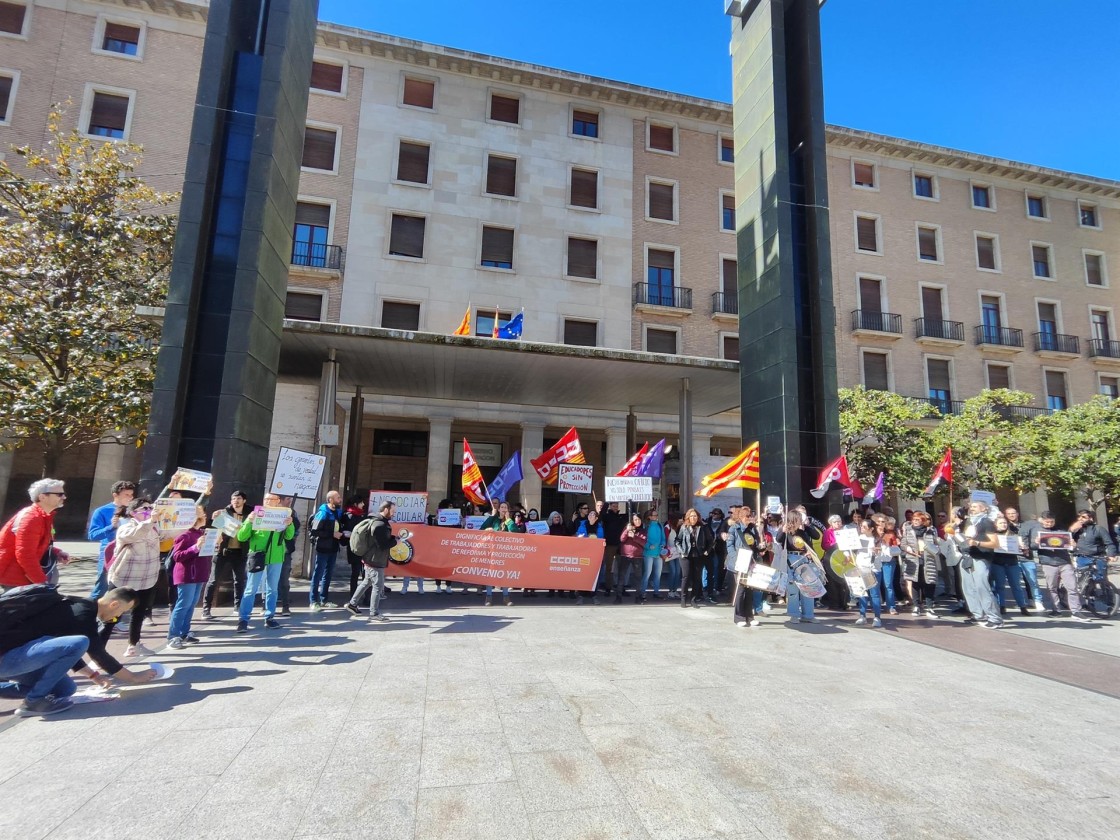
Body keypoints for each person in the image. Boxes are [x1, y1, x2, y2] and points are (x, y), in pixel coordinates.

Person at [0, 586, 155, 716]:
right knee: (80, 642)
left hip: (19, 656)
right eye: (122, 611)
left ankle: (28, 694)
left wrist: (93, 675)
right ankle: (33, 702)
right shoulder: (84, 615)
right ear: (114, 604)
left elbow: (65, 651)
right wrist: (133, 677)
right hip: (7, 657)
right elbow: (99, 655)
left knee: (66, 689)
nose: (118, 616)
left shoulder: (78, 605)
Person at [104, 497, 164, 658]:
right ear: (132, 513)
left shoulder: (155, 527)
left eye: (150, 508)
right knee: (111, 616)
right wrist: (151, 521)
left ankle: (133, 645)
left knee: (139, 613)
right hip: (124, 579)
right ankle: (98, 651)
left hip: (147, 578)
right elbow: (136, 534)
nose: (149, 511)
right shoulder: (126, 527)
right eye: (144, 509)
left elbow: (173, 531)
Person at [235, 493, 295, 633]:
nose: (268, 501)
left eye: (271, 499)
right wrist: (249, 522)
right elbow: (242, 537)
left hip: (276, 557)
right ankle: (243, 619)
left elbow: (289, 536)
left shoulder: (283, 515)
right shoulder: (256, 514)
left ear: (277, 501)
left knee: (272, 589)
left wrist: (290, 524)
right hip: (257, 556)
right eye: (266, 499)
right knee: (251, 589)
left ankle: (269, 617)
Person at [0, 479, 70, 590]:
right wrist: (41, 583)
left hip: (23, 578)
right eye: (59, 494)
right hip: (17, 580)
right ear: (42, 497)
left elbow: (36, 544)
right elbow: (25, 554)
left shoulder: (43, 515)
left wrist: (56, 552)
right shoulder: (32, 518)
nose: (64, 497)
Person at [1021, 511, 1090, 622]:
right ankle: (1056, 610)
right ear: (1042, 520)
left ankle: (1076, 611)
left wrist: (1072, 545)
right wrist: (1036, 543)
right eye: (1047, 522)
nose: (1049, 524)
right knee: (1052, 587)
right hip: (1048, 562)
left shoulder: (1061, 528)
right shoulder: (1036, 530)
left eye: (1051, 522)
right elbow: (1032, 546)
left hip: (1064, 561)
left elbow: (1068, 542)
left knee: (1072, 587)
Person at [951, 502, 1003, 628]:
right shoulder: (968, 522)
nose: (971, 508)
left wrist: (977, 543)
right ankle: (978, 615)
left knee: (982, 587)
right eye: (971, 507)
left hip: (980, 557)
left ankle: (995, 618)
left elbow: (995, 543)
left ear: (984, 509)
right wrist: (954, 524)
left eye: (975, 506)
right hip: (966, 556)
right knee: (968, 588)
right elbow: (952, 530)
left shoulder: (986, 522)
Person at [166, 506, 212, 649]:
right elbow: (177, 556)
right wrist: (195, 548)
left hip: (199, 573)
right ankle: (173, 636)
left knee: (191, 604)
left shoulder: (201, 533)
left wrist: (213, 544)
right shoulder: (184, 535)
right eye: (202, 514)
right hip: (187, 575)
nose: (205, 516)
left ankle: (184, 632)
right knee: (183, 604)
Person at [345, 501, 397, 622]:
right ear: (385, 510)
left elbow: (381, 540)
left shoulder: (378, 522)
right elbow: (382, 545)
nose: (394, 513)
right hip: (375, 559)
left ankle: (352, 604)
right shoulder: (379, 524)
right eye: (392, 511)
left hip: (371, 558)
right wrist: (396, 542)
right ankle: (374, 613)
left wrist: (393, 538)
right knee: (378, 587)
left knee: (366, 582)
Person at [203, 491, 249, 619]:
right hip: (222, 551)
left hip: (240, 551)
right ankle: (206, 609)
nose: (236, 501)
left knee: (239, 580)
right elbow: (210, 528)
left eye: (239, 498)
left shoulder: (250, 514)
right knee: (213, 580)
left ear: (244, 501)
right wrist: (213, 518)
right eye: (233, 498)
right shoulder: (224, 512)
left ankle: (238, 606)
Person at [86, 480, 136, 599]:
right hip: (110, 554)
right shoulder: (102, 511)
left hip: (130, 554)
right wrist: (111, 527)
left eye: (131, 495)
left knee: (122, 592)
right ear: (115, 495)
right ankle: (91, 613)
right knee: (101, 588)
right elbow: (93, 535)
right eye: (126, 495)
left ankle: (115, 617)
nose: (130, 498)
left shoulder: (134, 510)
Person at [774, 510, 825, 624]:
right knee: (793, 590)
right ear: (793, 520)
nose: (800, 521)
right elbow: (778, 540)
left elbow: (814, 538)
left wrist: (809, 552)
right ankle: (794, 614)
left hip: (804, 560)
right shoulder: (786, 531)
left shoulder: (802, 532)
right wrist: (783, 530)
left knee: (808, 587)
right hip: (791, 559)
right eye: (798, 519)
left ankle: (808, 614)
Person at [309, 490, 345, 610]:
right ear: (330, 500)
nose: (340, 499)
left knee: (328, 575)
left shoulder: (338, 513)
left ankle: (324, 599)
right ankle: (313, 601)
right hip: (323, 548)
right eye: (337, 497)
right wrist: (332, 534)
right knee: (318, 574)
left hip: (333, 548)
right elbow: (315, 531)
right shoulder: (322, 513)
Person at [726, 506, 761, 627]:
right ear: (741, 517)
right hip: (739, 562)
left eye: (751, 516)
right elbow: (729, 545)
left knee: (750, 590)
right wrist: (736, 558)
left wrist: (761, 547)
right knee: (740, 590)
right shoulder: (734, 529)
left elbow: (755, 544)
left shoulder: (752, 529)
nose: (749, 518)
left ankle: (749, 617)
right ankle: (739, 617)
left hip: (751, 562)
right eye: (747, 516)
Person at [901, 511, 940, 617]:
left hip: (928, 559)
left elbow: (937, 544)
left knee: (929, 583)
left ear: (923, 521)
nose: (915, 521)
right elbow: (903, 544)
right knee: (915, 583)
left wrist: (936, 548)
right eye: (914, 519)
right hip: (913, 559)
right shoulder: (908, 530)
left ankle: (929, 607)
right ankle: (916, 606)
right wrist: (907, 548)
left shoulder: (931, 531)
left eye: (917, 519)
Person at [990, 514, 1030, 616]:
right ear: (995, 525)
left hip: (1012, 562)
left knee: (1016, 586)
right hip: (997, 562)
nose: (1003, 525)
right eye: (1001, 523)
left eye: (1004, 523)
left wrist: (1023, 548)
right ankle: (1001, 606)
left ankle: (1022, 606)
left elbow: (1021, 548)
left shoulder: (1014, 535)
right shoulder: (992, 535)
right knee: (1000, 586)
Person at [674, 508, 712, 608]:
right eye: (691, 516)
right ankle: (683, 598)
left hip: (698, 555)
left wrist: (707, 551)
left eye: (695, 516)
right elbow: (677, 540)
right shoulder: (684, 527)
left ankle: (693, 599)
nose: (693, 518)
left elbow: (711, 540)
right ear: (688, 517)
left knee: (696, 577)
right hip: (686, 555)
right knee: (685, 576)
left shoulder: (703, 527)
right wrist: (681, 551)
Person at [480, 501, 516, 606]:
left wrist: (508, 519)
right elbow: (482, 528)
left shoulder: (509, 521)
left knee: (504, 574)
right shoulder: (494, 519)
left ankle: (506, 597)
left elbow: (515, 531)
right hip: (492, 551)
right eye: (502, 507)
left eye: (506, 507)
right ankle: (489, 597)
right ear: (499, 509)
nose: (504, 509)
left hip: (505, 552)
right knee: (490, 574)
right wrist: (490, 522)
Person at [1069, 509, 1118, 580]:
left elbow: (1109, 543)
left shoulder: (1099, 529)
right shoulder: (1077, 530)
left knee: (1100, 579)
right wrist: (1071, 530)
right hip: (1082, 557)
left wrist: (1111, 555)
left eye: (1083, 517)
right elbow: (1066, 540)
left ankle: (1106, 590)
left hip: (1097, 557)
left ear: (1091, 518)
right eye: (1079, 517)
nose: (1080, 519)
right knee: (1084, 580)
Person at [574, 509, 604, 605]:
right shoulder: (582, 525)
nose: (591, 515)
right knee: (583, 574)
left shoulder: (599, 526)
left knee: (594, 574)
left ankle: (593, 595)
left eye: (593, 514)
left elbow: (601, 538)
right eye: (590, 514)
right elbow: (579, 535)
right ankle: (581, 595)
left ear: (596, 518)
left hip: (595, 554)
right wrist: (580, 537)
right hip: (584, 553)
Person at [340, 494, 368, 598]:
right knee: (355, 573)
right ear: (356, 504)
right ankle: (354, 596)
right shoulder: (348, 515)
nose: (363, 504)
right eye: (361, 503)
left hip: (364, 548)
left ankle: (366, 597)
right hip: (354, 548)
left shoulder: (363, 515)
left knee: (365, 574)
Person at [598, 501, 628, 595]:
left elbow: (632, 513)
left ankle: (620, 588)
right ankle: (608, 588)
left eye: (616, 506)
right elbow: (601, 514)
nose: (615, 507)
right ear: (610, 507)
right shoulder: (606, 516)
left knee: (621, 568)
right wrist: (607, 500)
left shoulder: (622, 517)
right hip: (610, 545)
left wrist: (630, 501)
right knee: (609, 568)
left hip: (620, 545)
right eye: (613, 506)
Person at [616, 512, 646, 603]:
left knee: (638, 578)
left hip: (637, 556)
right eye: (635, 519)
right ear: (632, 521)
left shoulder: (643, 530)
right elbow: (622, 539)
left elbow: (644, 543)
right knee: (621, 577)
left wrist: (634, 537)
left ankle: (638, 597)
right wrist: (626, 530)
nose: (637, 521)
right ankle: (618, 597)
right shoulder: (627, 528)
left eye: (639, 519)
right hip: (625, 555)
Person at [277, 497, 300, 616]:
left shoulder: (293, 513)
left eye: (291, 499)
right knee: (268, 580)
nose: (289, 501)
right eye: (287, 499)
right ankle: (267, 605)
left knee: (284, 580)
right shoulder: (270, 513)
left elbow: (295, 531)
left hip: (285, 551)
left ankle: (285, 606)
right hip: (271, 551)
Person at [638, 509, 666, 602]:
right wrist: (648, 546)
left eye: (657, 515)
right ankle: (643, 592)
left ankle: (656, 592)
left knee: (658, 574)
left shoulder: (659, 525)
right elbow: (641, 539)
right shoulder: (646, 526)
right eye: (654, 515)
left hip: (658, 553)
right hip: (648, 553)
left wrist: (663, 544)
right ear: (649, 516)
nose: (656, 517)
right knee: (647, 573)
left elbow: (663, 537)